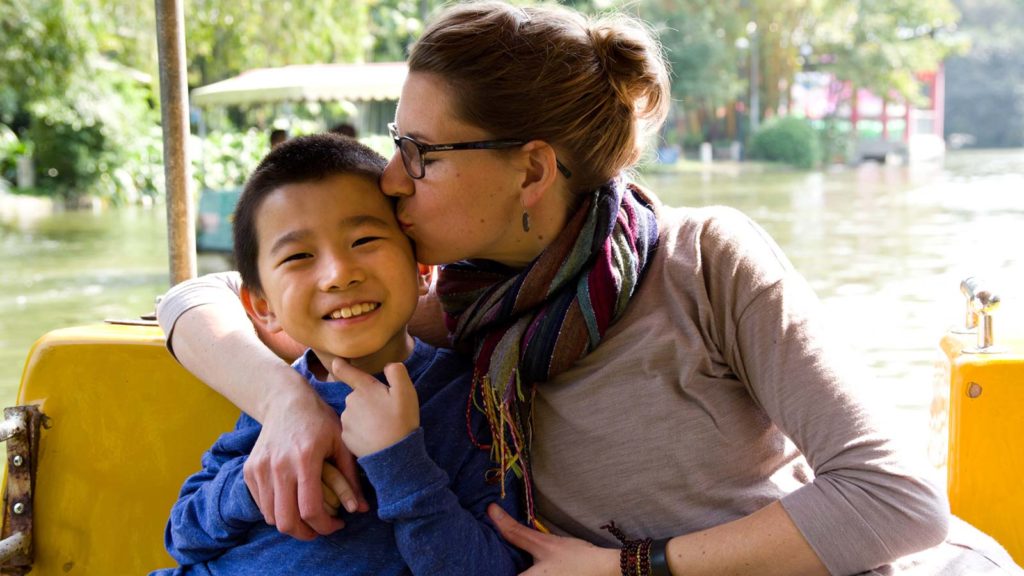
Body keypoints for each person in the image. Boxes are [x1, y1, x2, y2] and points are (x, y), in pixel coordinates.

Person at [157, 2, 1023, 575]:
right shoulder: (444, 302)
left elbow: (895, 500)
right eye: (397, 142)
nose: (390, 176)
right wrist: (287, 406)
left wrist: (630, 568)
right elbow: (195, 301)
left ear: (532, 169)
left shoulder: (704, 258)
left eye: (423, 152)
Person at [152, 133, 526, 575]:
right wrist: (255, 487)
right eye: (299, 256)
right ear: (263, 307)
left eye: (364, 240)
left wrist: (399, 463)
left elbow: (495, 566)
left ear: (423, 268)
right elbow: (182, 536)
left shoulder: (470, 400)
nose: (338, 274)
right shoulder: (278, 397)